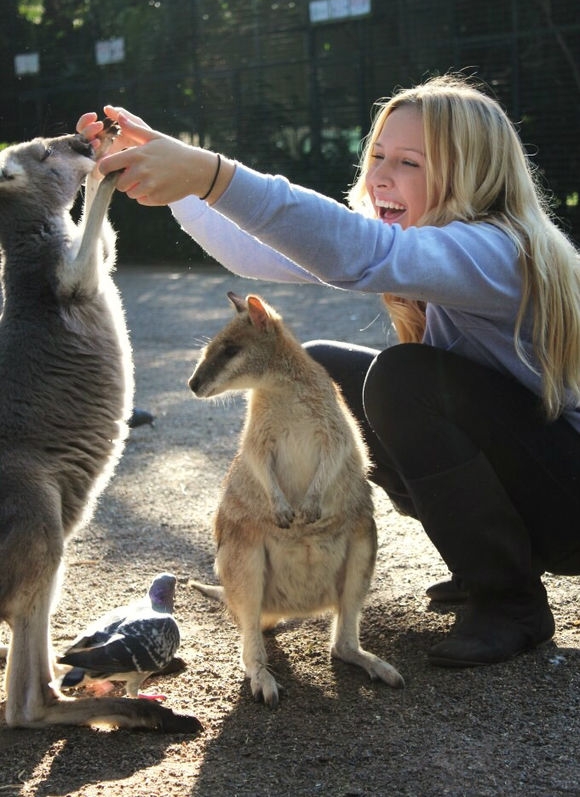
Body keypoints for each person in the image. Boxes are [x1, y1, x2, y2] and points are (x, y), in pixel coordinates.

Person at [78, 73, 580, 668]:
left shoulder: (499, 250)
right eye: (378, 156)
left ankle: (512, 602)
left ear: (473, 175)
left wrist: (209, 173)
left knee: (405, 380)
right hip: (537, 484)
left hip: (568, 503)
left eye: (411, 164)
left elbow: (354, 253)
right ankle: (487, 564)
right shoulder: (430, 239)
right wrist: (175, 181)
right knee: (321, 370)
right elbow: (260, 253)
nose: (383, 175)